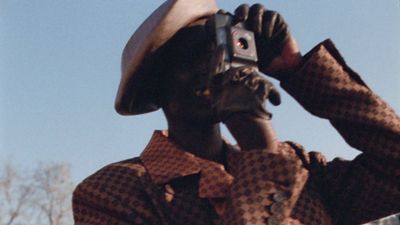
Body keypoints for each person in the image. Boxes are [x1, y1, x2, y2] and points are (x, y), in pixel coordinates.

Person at [72, 1, 400, 225]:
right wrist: (260, 150)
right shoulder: (113, 193)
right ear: (158, 89)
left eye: (222, 48)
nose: (218, 66)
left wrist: (298, 70)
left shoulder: (298, 168)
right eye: (196, 54)